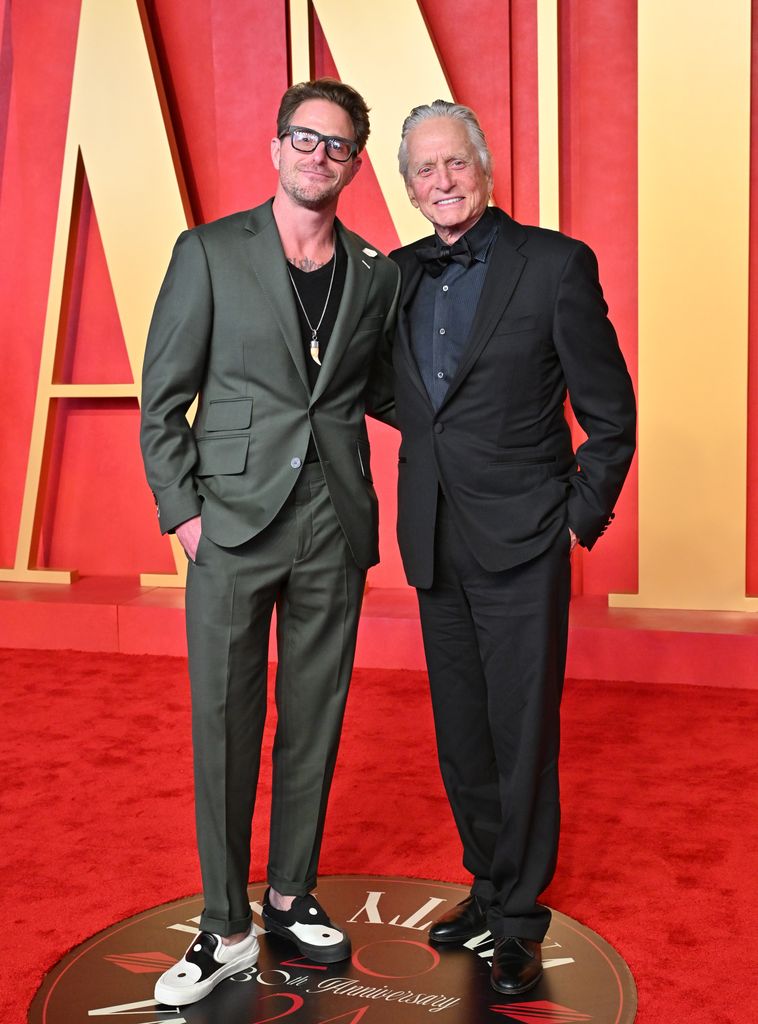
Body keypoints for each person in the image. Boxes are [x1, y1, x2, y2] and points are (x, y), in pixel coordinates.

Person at [140, 78, 398, 1007]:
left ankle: (290, 894)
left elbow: (383, 392)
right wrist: (184, 514)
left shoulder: (377, 271)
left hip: (334, 520)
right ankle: (223, 924)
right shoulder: (209, 251)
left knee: (314, 716)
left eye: (336, 146)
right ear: (275, 147)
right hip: (232, 525)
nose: (317, 156)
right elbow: (162, 396)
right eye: (304, 138)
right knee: (223, 721)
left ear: (355, 165)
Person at [389, 100, 636, 996]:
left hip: (525, 541)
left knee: (520, 732)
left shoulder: (557, 265)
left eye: (455, 163)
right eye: (424, 169)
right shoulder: (398, 274)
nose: (442, 181)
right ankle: (487, 887)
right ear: (408, 184)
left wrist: (574, 520)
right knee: (462, 737)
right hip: (434, 540)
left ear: (485, 169)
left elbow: (611, 415)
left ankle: (521, 918)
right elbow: (402, 393)